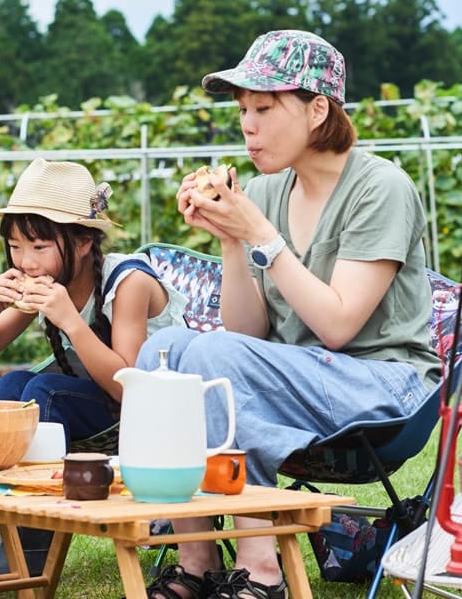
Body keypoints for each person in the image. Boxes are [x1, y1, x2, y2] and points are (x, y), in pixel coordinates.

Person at [136, 30, 438, 599]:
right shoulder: (267, 190)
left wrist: (259, 234)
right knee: (163, 352)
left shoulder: (380, 187)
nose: (248, 125)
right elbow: (247, 331)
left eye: (265, 108)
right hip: (301, 377)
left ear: (317, 108)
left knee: (216, 356)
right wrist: (231, 238)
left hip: (385, 387)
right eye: (243, 109)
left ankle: (263, 569)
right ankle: (195, 562)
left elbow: (339, 326)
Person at [0, 158, 187, 580]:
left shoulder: (126, 282)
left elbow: (130, 389)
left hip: (151, 416)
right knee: (11, 386)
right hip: (94, 411)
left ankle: (32, 542)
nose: (25, 261)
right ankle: (15, 532)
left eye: (39, 247)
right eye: (15, 246)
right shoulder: (48, 281)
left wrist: (71, 321)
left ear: (82, 242)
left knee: (42, 392)